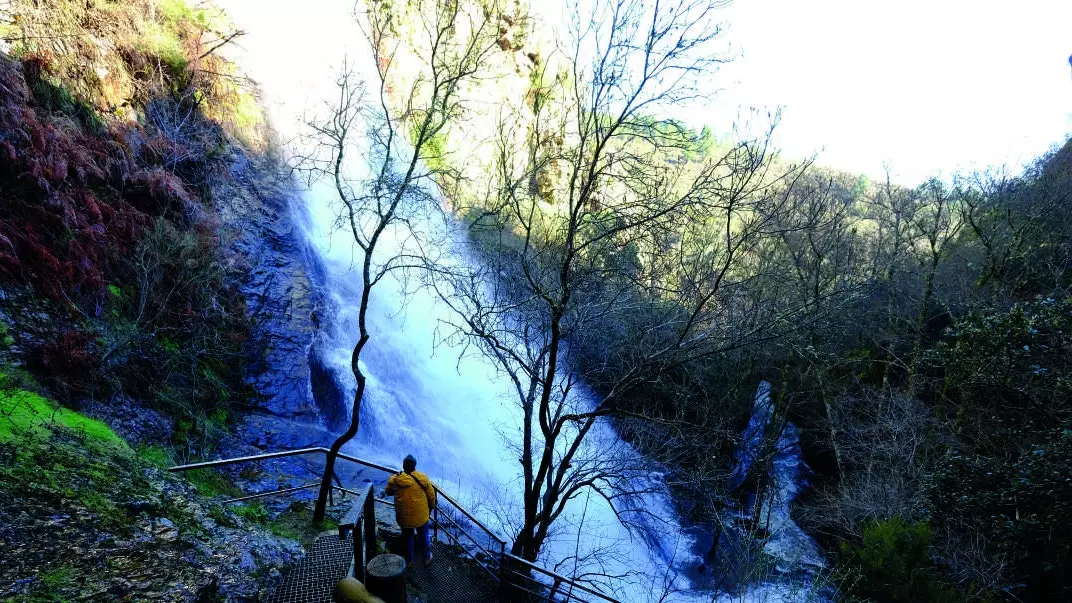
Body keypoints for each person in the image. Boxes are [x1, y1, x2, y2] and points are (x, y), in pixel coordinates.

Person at [385, 454, 437, 566]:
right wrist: (430, 509)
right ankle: (427, 557)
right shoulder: (423, 478)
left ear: (403, 466)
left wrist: (392, 477)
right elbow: (432, 497)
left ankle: (409, 561)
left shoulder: (395, 481)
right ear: (415, 466)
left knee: (408, 537)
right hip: (421, 516)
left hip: (404, 518)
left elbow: (388, 492)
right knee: (424, 536)